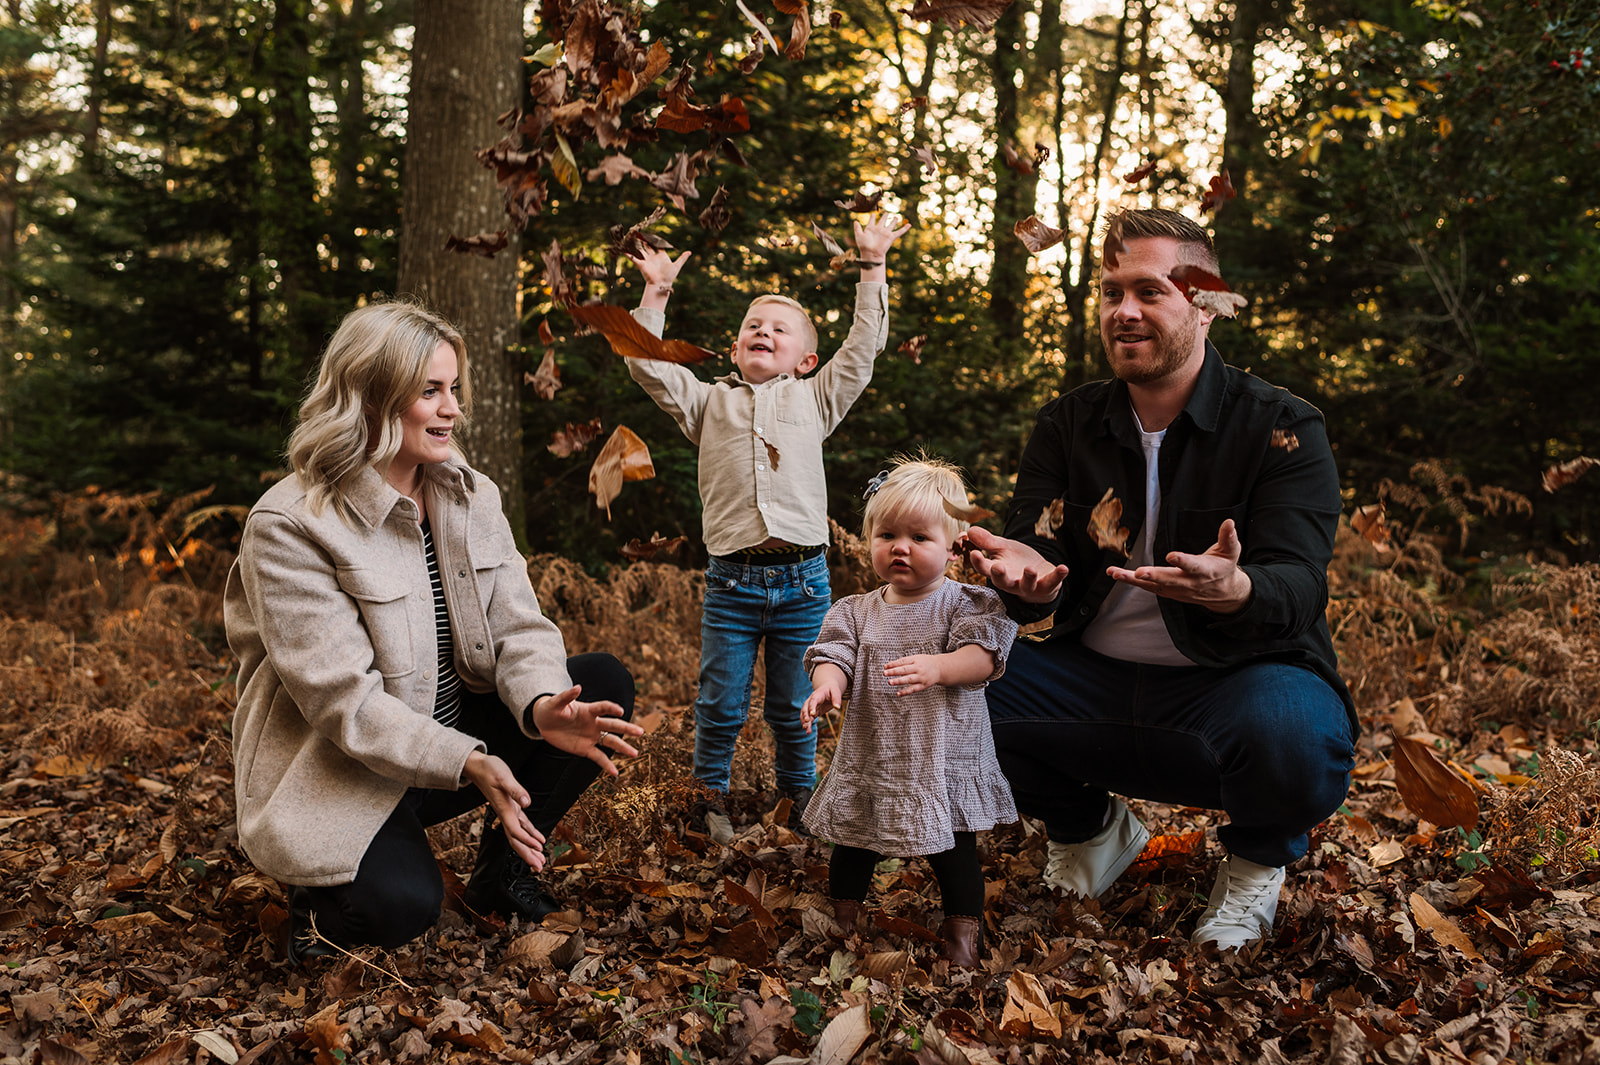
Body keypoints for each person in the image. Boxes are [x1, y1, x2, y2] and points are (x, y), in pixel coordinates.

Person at [965, 207, 1358, 951]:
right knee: (949, 678)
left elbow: (1300, 585)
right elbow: (1033, 547)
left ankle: (1253, 867)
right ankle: (1092, 833)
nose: (1124, 311)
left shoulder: (1283, 426)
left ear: (1205, 304)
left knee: (1297, 729)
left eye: (1149, 290)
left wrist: (1238, 589)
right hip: (1090, 686)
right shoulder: (1068, 424)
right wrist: (1022, 580)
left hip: (1232, 687)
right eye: (1112, 292)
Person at [225, 299, 646, 964]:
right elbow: (347, 706)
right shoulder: (290, 525)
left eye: (454, 389)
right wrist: (470, 760)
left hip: (448, 743)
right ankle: (317, 894)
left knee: (597, 683)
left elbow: (520, 623)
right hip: (347, 764)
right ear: (369, 396)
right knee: (399, 908)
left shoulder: (468, 492)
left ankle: (501, 877)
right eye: (430, 391)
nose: (452, 408)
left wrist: (541, 705)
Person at [625, 215, 911, 844]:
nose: (763, 331)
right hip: (731, 584)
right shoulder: (708, 403)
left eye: (779, 328)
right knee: (721, 703)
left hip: (803, 584)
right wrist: (657, 294)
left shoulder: (816, 399)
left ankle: (799, 795)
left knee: (793, 705)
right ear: (733, 350)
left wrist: (872, 267)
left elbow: (864, 347)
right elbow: (648, 365)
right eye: (753, 325)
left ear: (806, 359)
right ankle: (708, 798)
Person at [798, 457, 1018, 967]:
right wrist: (828, 686)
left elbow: (984, 658)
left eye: (920, 537)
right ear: (869, 538)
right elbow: (833, 656)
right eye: (887, 534)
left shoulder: (968, 604)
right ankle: (842, 921)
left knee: (954, 850)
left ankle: (962, 937)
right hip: (877, 753)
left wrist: (940, 667)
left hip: (942, 756)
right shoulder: (854, 610)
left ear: (953, 547)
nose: (901, 546)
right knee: (854, 844)